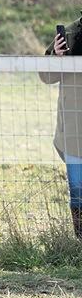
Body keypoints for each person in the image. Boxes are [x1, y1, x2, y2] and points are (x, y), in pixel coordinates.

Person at [39, 14, 82, 240]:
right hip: (75, 129)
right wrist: (55, 55)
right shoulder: (71, 32)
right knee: (78, 189)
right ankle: (79, 240)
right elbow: (46, 75)